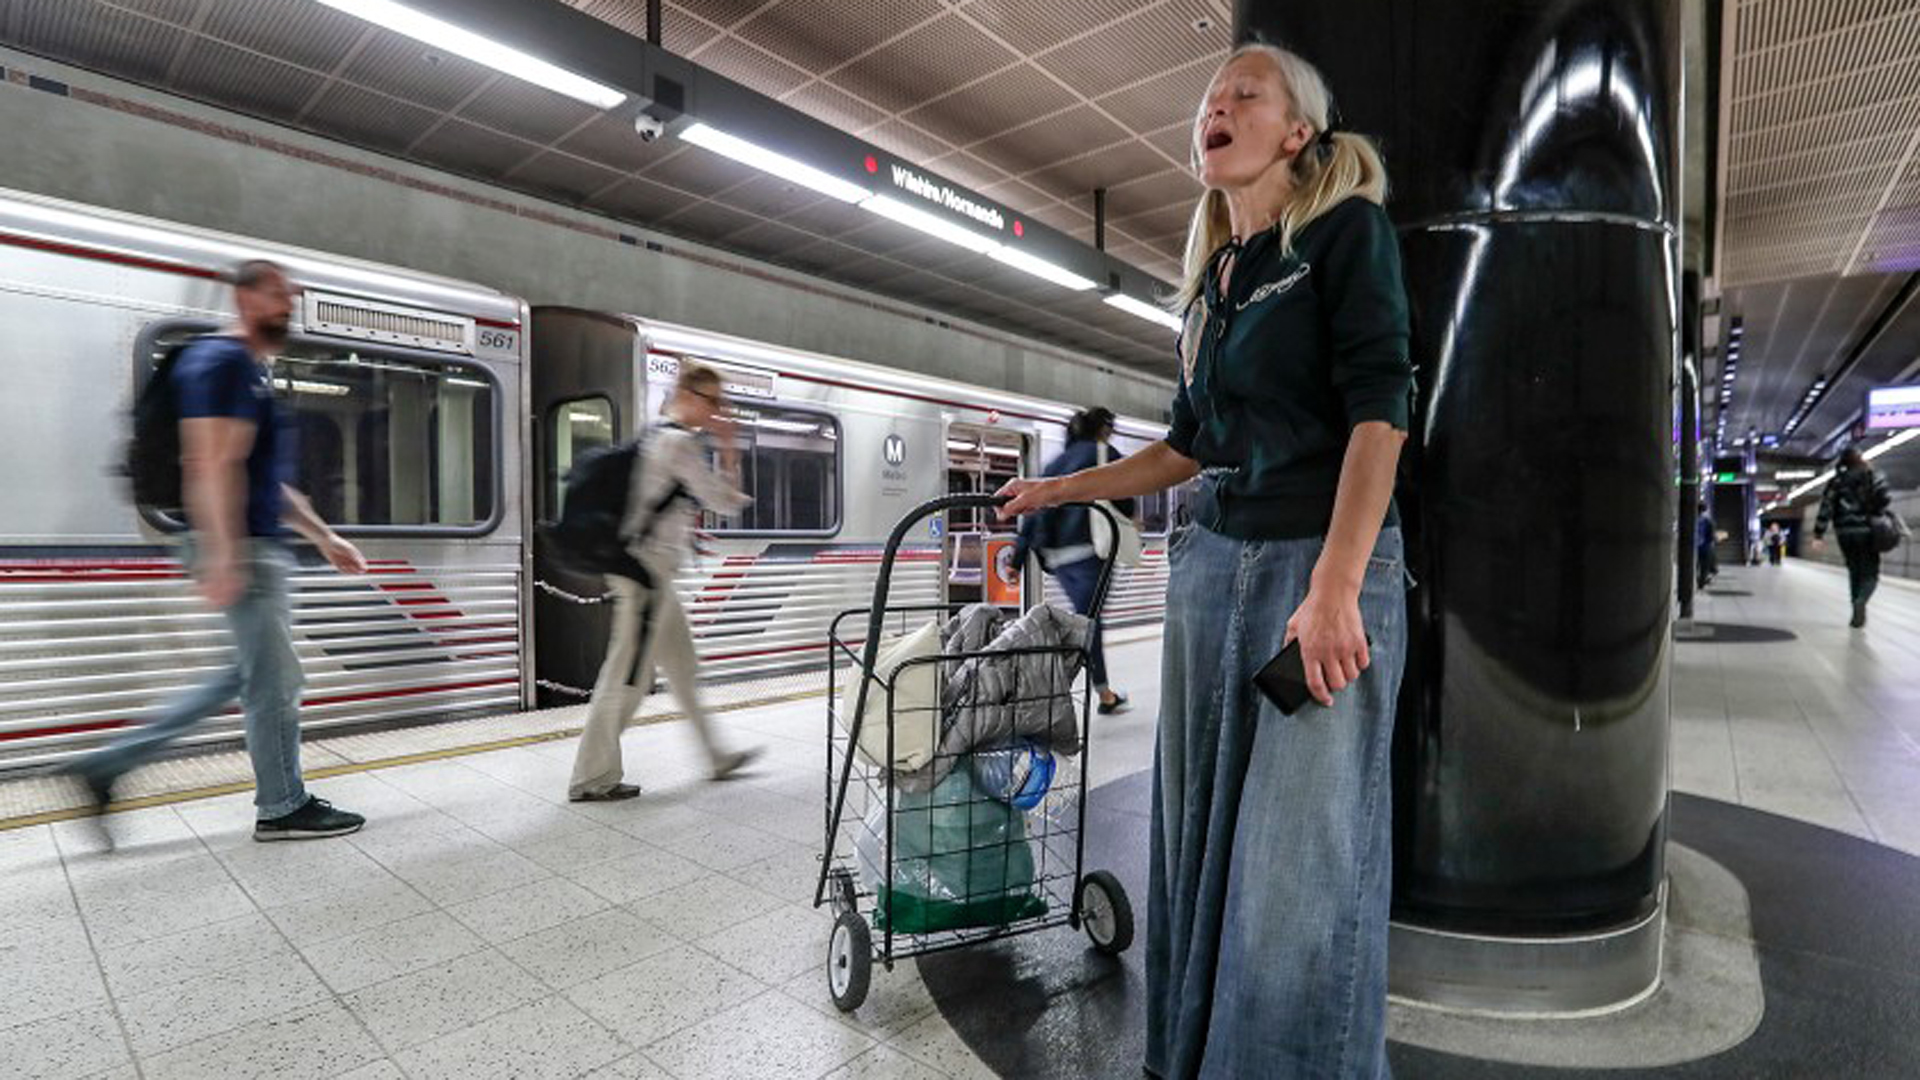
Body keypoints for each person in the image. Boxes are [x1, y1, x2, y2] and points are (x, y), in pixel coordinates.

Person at [1002, 42, 1413, 1078]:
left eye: (1246, 93)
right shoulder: (1214, 284)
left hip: (1310, 579)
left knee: (1293, 869)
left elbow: (1380, 416)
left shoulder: (1342, 237)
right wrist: (1063, 489)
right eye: (1208, 98)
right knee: (1192, 845)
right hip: (1211, 569)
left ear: (1297, 133)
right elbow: (1186, 448)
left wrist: (1333, 588)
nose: (1216, 107)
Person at [67, 260, 368, 841]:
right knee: (274, 682)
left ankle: (106, 766)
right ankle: (283, 807)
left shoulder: (247, 370)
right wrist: (224, 554)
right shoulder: (223, 362)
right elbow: (208, 462)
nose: (290, 306)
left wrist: (323, 536)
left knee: (254, 674)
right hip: (243, 549)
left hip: (251, 543)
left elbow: (261, 479)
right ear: (246, 299)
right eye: (280, 295)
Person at [568, 362, 763, 801]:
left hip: (652, 575)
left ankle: (716, 755)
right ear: (690, 396)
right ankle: (591, 777)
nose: (719, 412)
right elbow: (725, 502)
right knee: (627, 676)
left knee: (682, 668)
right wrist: (730, 452)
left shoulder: (658, 434)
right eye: (714, 402)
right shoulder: (677, 444)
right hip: (646, 576)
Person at [1012, 406, 1134, 715]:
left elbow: (1033, 512)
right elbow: (1127, 499)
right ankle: (1071, 694)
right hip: (1088, 551)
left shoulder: (1056, 462)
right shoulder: (1103, 453)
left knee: (1085, 621)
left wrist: (1017, 559)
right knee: (1087, 624)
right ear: (1103, 429)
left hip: (1058, 557)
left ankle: (1088, 691)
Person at [1812, 446, 1892, 628]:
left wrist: (1818, 533)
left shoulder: (1836, 481)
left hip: (1844, 533)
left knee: (1854, 570)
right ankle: (1861, 601)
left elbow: (1826, 507)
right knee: (1870, 573)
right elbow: (1884, 498)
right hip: (1867, 530)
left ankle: (1855, 606)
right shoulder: (1871, 476)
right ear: (1859, 458)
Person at [1695, 507, 1717, 589]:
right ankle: (1701, 583)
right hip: (1705, 546)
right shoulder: (1708, 521)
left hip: (1695, 546)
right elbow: (1711, 535)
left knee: (1697, 564)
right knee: (1704, 566)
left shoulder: (1694, 519)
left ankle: (1697, 580)